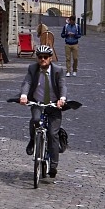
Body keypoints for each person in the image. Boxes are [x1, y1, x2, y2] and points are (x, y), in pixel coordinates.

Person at [19, 44, 67, 178]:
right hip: (38, 103)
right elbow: (27, 83)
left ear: (51, 58)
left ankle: (53, 165)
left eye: (45, 57)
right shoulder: (32, 69)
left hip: (53, 104)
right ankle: (33, 140)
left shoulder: (58, 70)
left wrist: (62, 99)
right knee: (35, 120)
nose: (43, 60)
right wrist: (23, 95)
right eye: (40, 57)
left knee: (52, 134)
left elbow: (62, 86)